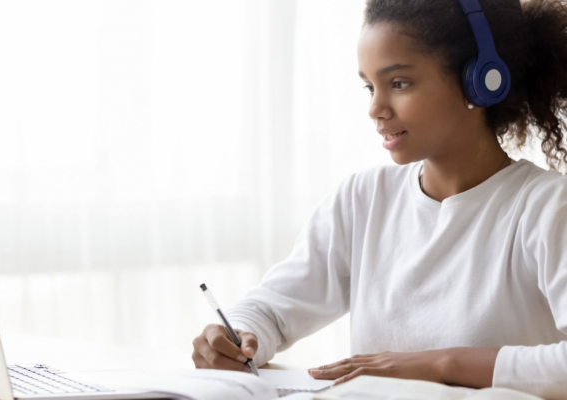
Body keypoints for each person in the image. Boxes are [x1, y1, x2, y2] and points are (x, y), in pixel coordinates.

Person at [191, 0, 567, 398]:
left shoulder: (547, 208)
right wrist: (236, 334)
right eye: (370, 87)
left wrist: (441, 364)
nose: (375, 109)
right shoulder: (363, 200)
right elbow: (271, 309)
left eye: (399, 83)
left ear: (481, 80)